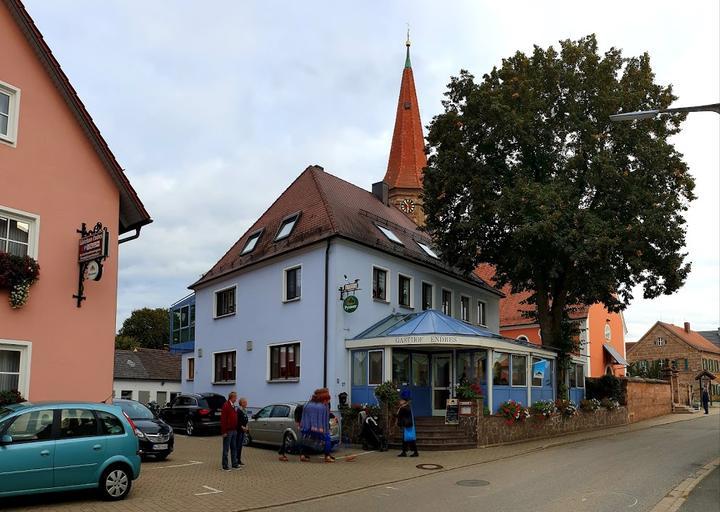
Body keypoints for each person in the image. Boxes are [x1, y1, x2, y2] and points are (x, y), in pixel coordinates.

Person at [298, 388, 335, 463]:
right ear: (323, 398)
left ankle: (303, 455)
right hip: (319, 427)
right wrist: (319, 427)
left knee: (305, 439)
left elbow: (303, 414)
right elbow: (318, 417)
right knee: (327, 439)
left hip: (306, 426)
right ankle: (327, 456)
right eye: (327, 399)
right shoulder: (321, 406)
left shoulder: (307, 404)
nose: (328, 401)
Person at [396, 388, 418, 457]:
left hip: (407, 425)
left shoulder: (404, 408)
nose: (399, 401)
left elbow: (398, 415)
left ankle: (414, 452)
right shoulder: (407, 407)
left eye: (401, 400)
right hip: (408, 424)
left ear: (404, 401)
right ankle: (404, 452)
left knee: (409, 439)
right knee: (406, 439)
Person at [220, 391, 239, 470]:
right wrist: (224, 431)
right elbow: (223, 419)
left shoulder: (233, 406)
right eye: (235, 397)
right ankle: (225, 465)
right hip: (228, 430)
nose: (236, 398)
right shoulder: (226, 405)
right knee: (226, 448)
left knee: (234, 447)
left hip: (234, 430)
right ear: (232, 397)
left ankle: (234, 463)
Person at [235, 397, 249, 466]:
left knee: (240, 446)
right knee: (237, 445)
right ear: (242, 403)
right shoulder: (238, 410)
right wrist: (242, 427)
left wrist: (246, 426)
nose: (246, 403)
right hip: (239, 431)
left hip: (243, 430)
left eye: (246, 402)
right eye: (245, 402)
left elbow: (246, 420)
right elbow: (238, 421)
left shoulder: (245, 410)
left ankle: (239, 460)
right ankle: (236, 460)